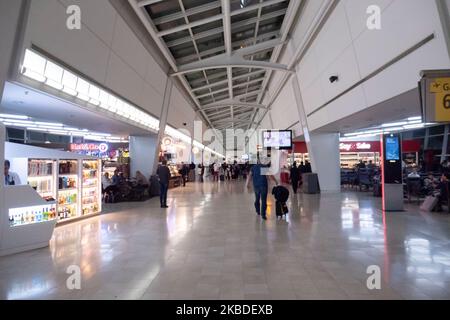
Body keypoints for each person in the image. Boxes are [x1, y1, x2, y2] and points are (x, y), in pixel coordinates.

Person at [246, 155, 278, 220]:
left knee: (257, 199)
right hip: (263, 185)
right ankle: (263, 215)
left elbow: (249, 176)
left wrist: (248, 184)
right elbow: (270, 176)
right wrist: (275, 181)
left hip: (256, 186)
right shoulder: (264, 167)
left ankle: (258, 211)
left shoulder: (253, 167)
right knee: (263, 200)